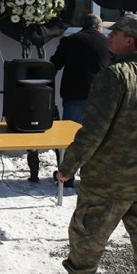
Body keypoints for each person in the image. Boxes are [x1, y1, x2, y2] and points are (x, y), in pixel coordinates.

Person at [56, 14, 137, 274]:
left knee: (87, 235)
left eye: (116, 32)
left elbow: (92, 131)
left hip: (109, 180)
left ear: (130, 40)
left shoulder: (113, 76)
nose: (109, 35)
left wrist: (68, 167)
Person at [35, 14, 110, 186]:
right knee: (97, 138)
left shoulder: (71, 41)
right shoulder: (107, 42)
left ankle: (67, 178)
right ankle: (95, 177)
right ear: (99, 26)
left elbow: (55, 64)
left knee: (70, 139)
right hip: (101, 98)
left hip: (74, 95)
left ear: (82, 26)